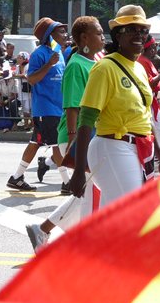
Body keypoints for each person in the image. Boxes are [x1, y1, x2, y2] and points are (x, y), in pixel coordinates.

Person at [69, 6, 160, 207]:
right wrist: (79, 170)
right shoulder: (105, 67)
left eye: (143, 31)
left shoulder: (139, 68)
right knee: (132, 210)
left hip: (139, 148)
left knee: (114, 216)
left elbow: (145, 115)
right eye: (132, 29)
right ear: (118, 35)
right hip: (113, 146)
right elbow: (86, 118)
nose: (139, 35)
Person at [26, 16, 105, 252]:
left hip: (92, 134)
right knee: (90, 192)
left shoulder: (97, 62)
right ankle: (86, 244)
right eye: (98, 32)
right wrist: (73, 140)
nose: (103, 37)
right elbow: (73, 106)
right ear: (84, 38)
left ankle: (43, 230)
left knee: (88, 192)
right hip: (78, 135)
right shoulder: (76, 65)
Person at [7, 18, 67, 192]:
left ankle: (17, 177)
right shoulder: (39, 53)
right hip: (45, 108)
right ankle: (66, 182)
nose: (65, 34)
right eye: (60, 31)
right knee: (56, 145)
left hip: (57, 107)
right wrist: (49, 64)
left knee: (35, 143)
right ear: (50, 35)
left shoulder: (57, 52)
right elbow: (31, 79)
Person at [138, 36, 160, 150]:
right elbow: (149, 84)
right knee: (158, 127)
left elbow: (154, 82)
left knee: (159, 126)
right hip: (147, 100)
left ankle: (157, 154)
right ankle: (157, 154)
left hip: (152, 100)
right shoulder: (142, 61)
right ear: (149, 48)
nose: (155, 50)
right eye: (153, 47)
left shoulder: (147, 61)